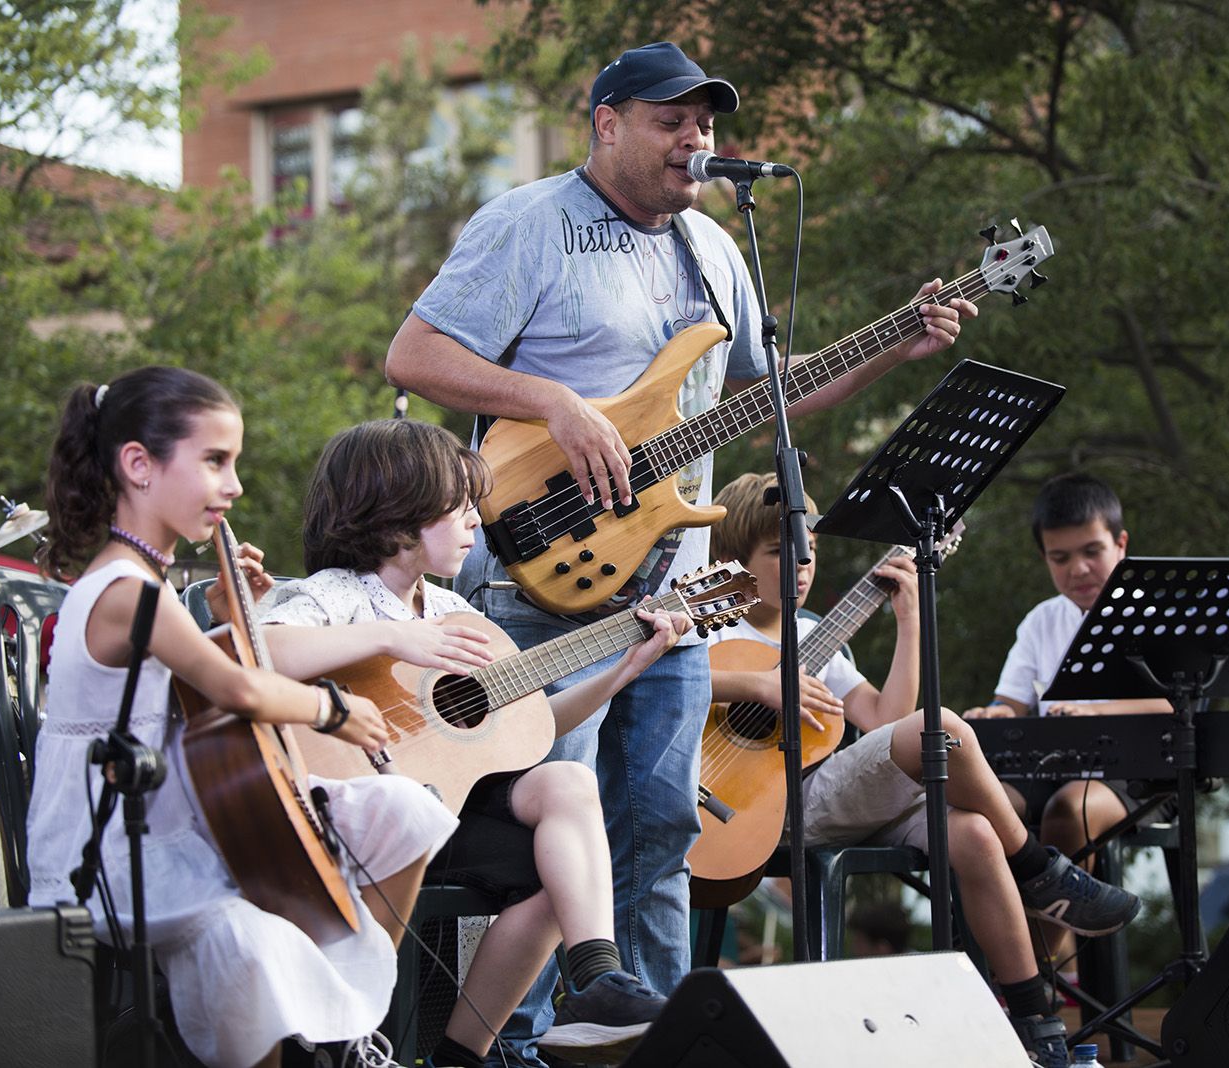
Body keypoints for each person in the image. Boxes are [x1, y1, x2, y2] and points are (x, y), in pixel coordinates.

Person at [383, 39, 978, 1060]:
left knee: (662, 824)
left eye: (704, 122)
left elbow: (765, 393)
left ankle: (649, 1040)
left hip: (671, 593)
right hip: (538, 578)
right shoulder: (529, 222)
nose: (694, 138)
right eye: (671, 120)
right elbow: (414, 355)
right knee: (546, 836)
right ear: (606, 123)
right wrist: (554, 403)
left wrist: (892, 348)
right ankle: (518, 1045)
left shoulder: (713, 247)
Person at [26, 366, 453, 1068]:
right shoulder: (129, 589)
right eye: (215, 462)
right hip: (108, 848)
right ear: (139, 465)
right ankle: (304, 1036)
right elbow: (237, 692)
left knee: (404, 812)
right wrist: (333, 707)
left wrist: (234, 618)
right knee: (253, 942)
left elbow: (187, 689)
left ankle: (344, 1034)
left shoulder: (148, 583)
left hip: (172, 811)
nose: (234, 486)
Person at [254, 419, 690, 1067]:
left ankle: (577, 989)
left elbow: (533, 724)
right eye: (458, 506)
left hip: (440, 816)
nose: (475, 522)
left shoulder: (456, 616)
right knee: (555, 838)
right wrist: (391, 638)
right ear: (397, 511)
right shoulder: (336, 594)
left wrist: (623, 670)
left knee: (564, 807)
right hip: (348, 818)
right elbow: (258, 651)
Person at [707, 472, 1141, 1067]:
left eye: (808, 552)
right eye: (781, 553)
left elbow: (887, 721)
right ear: (734, 561)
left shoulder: (815, 636)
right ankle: (1038, 869)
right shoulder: (713, 631)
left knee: (974, 833)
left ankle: (1035, 1024)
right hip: (759, 807)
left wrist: (908, 621)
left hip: (831, 799)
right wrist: (756, 685)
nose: (801, 567)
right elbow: (668, 688)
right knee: (942, 726)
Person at [964, 472, 1171, 971]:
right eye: (1060, 558)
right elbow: (1011, 702)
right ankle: (982, 956)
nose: (1078, 569)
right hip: (1051, 767)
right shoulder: (1042, 620)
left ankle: (1033, 970)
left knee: (1068, 809)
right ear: (1045, 559)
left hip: (1135, 774)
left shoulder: (1149, 613)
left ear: (1121, 544)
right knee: (978, 811)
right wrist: (994, 713)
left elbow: (1171, 706)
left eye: (1092, 551)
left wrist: (1094, 711)